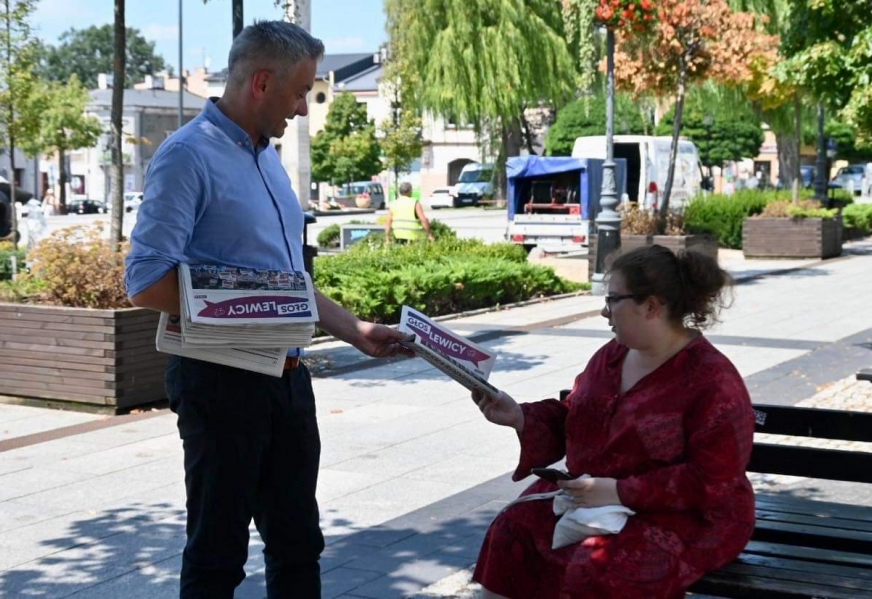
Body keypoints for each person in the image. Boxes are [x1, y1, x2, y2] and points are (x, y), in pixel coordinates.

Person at [124, 21, 409, 599]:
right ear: (261, 82)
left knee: (299, 546)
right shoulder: (187, 157)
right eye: (299, 92)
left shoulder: (267, 157)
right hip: (221, 385)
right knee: (217, 557)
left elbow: (287, 283)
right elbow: (145, 280)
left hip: (288, 380)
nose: (303, 108)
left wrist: (356, 331)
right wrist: (247, 309)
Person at [470, 245, 755, 599]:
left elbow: (713, 481)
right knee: (512, 529)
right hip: (595, 496)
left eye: (613, 299)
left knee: (598, 566)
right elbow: (577, 415)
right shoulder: (611, 355)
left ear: (651, 306)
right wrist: (520, 416)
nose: (604, 311)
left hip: (689, 514)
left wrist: (620, 491)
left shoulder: (713, 381)